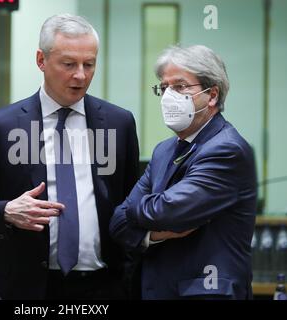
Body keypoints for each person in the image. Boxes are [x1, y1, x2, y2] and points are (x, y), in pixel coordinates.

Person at [0, 14, 139, 300]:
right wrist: (5, 211)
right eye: (68, 64)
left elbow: (132, 205)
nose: (80, 75)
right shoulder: (2, 126)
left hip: (105, 286)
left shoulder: (119, 123)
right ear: (41, 60)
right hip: (27, 286)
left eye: (89, 64)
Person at [110, 45, 257, 299]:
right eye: (164, 87)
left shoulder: (227, 149)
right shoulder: (163, 151)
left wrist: (137, 208)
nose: (168, 97)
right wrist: (154, 233)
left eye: (180, 87)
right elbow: (118, 223)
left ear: (212, 95)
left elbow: (169, 212)